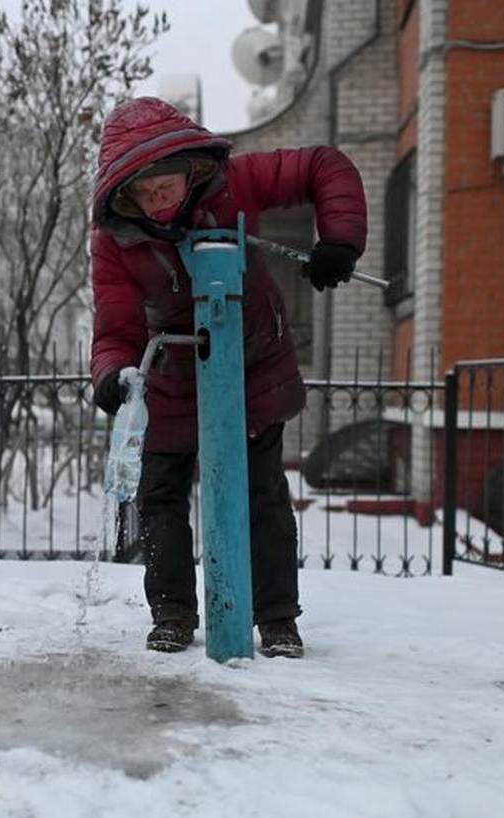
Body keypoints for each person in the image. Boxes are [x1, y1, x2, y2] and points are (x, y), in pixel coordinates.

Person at [89, 97, 367, 655]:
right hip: (168, 378)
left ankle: (277, 619)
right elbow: (116, 326)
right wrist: (114, 372)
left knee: (260, 493)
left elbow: (324, 165)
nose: (158, 199)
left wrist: (338, 241)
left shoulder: (234, 184)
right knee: (159, 495)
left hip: (250, 367)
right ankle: (171, 613)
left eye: (164, 184)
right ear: (124, 196)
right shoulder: (116, 242)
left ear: (188, 167)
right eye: (143, 193)